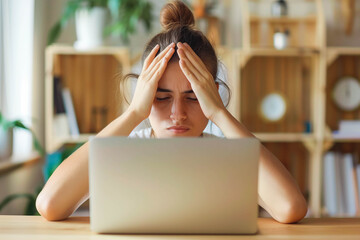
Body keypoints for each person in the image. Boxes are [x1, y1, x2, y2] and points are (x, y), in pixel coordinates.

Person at [36, 0, 307, 223]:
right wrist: (133, 113)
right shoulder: (122, 152)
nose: (178, 113)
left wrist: (220, 113)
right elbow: (50, 204)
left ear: (212, 95)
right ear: (145, 95)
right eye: (162, 97)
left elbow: (290, 207)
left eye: (193, 97)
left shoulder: (230, 158)